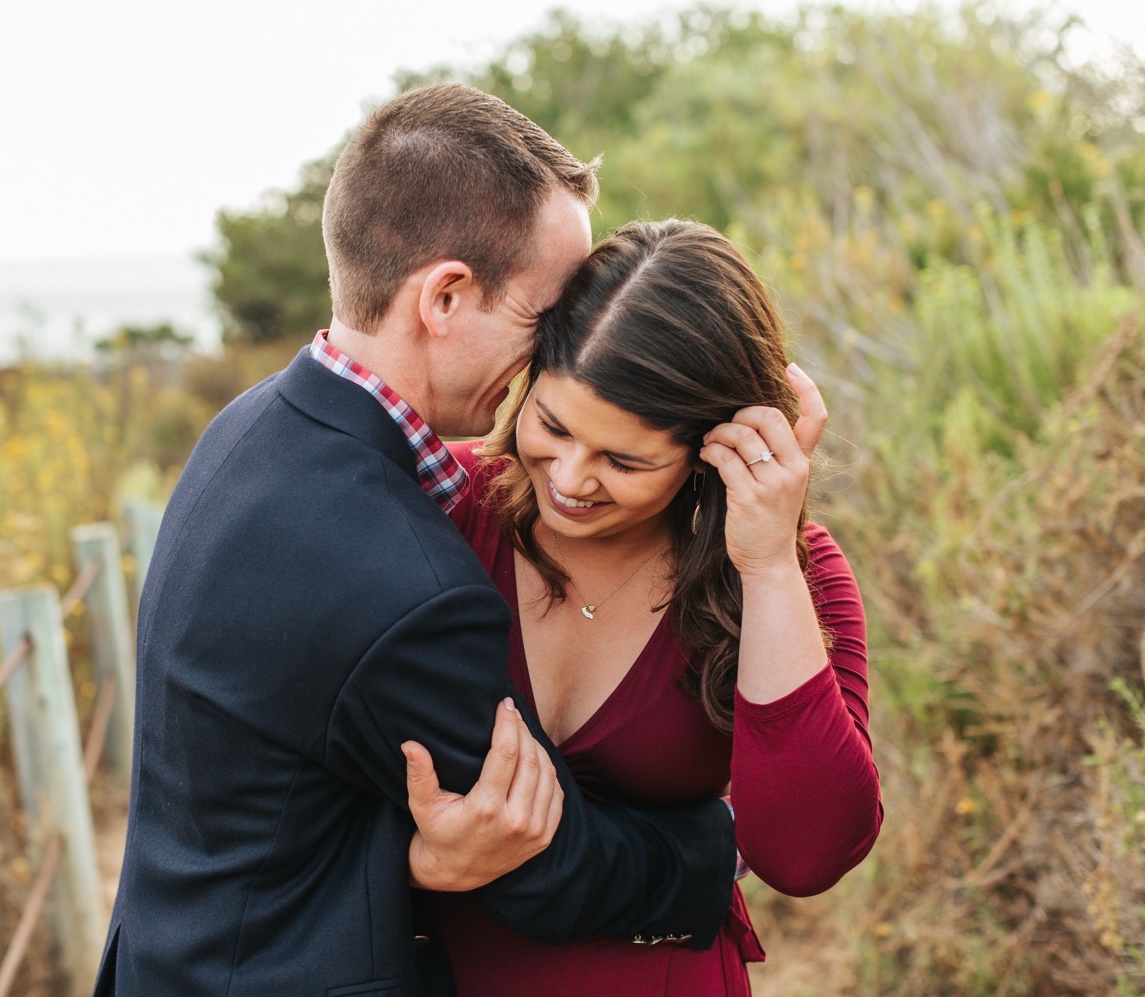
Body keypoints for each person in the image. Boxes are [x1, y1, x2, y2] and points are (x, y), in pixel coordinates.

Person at [94, 87, 740, 997]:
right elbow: (537, 857)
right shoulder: (404, 578)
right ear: (444, 295)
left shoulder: (250, 429)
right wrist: (718, 847)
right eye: (547, 319)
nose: (562, 355)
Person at [418, 218, 883, 996]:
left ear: (713, 446)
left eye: (624, 460)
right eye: (553, 425)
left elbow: (808, 856)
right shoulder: (442, 503)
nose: (569, 477)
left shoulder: (788, 571)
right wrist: (416, 861)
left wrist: (766, 564)